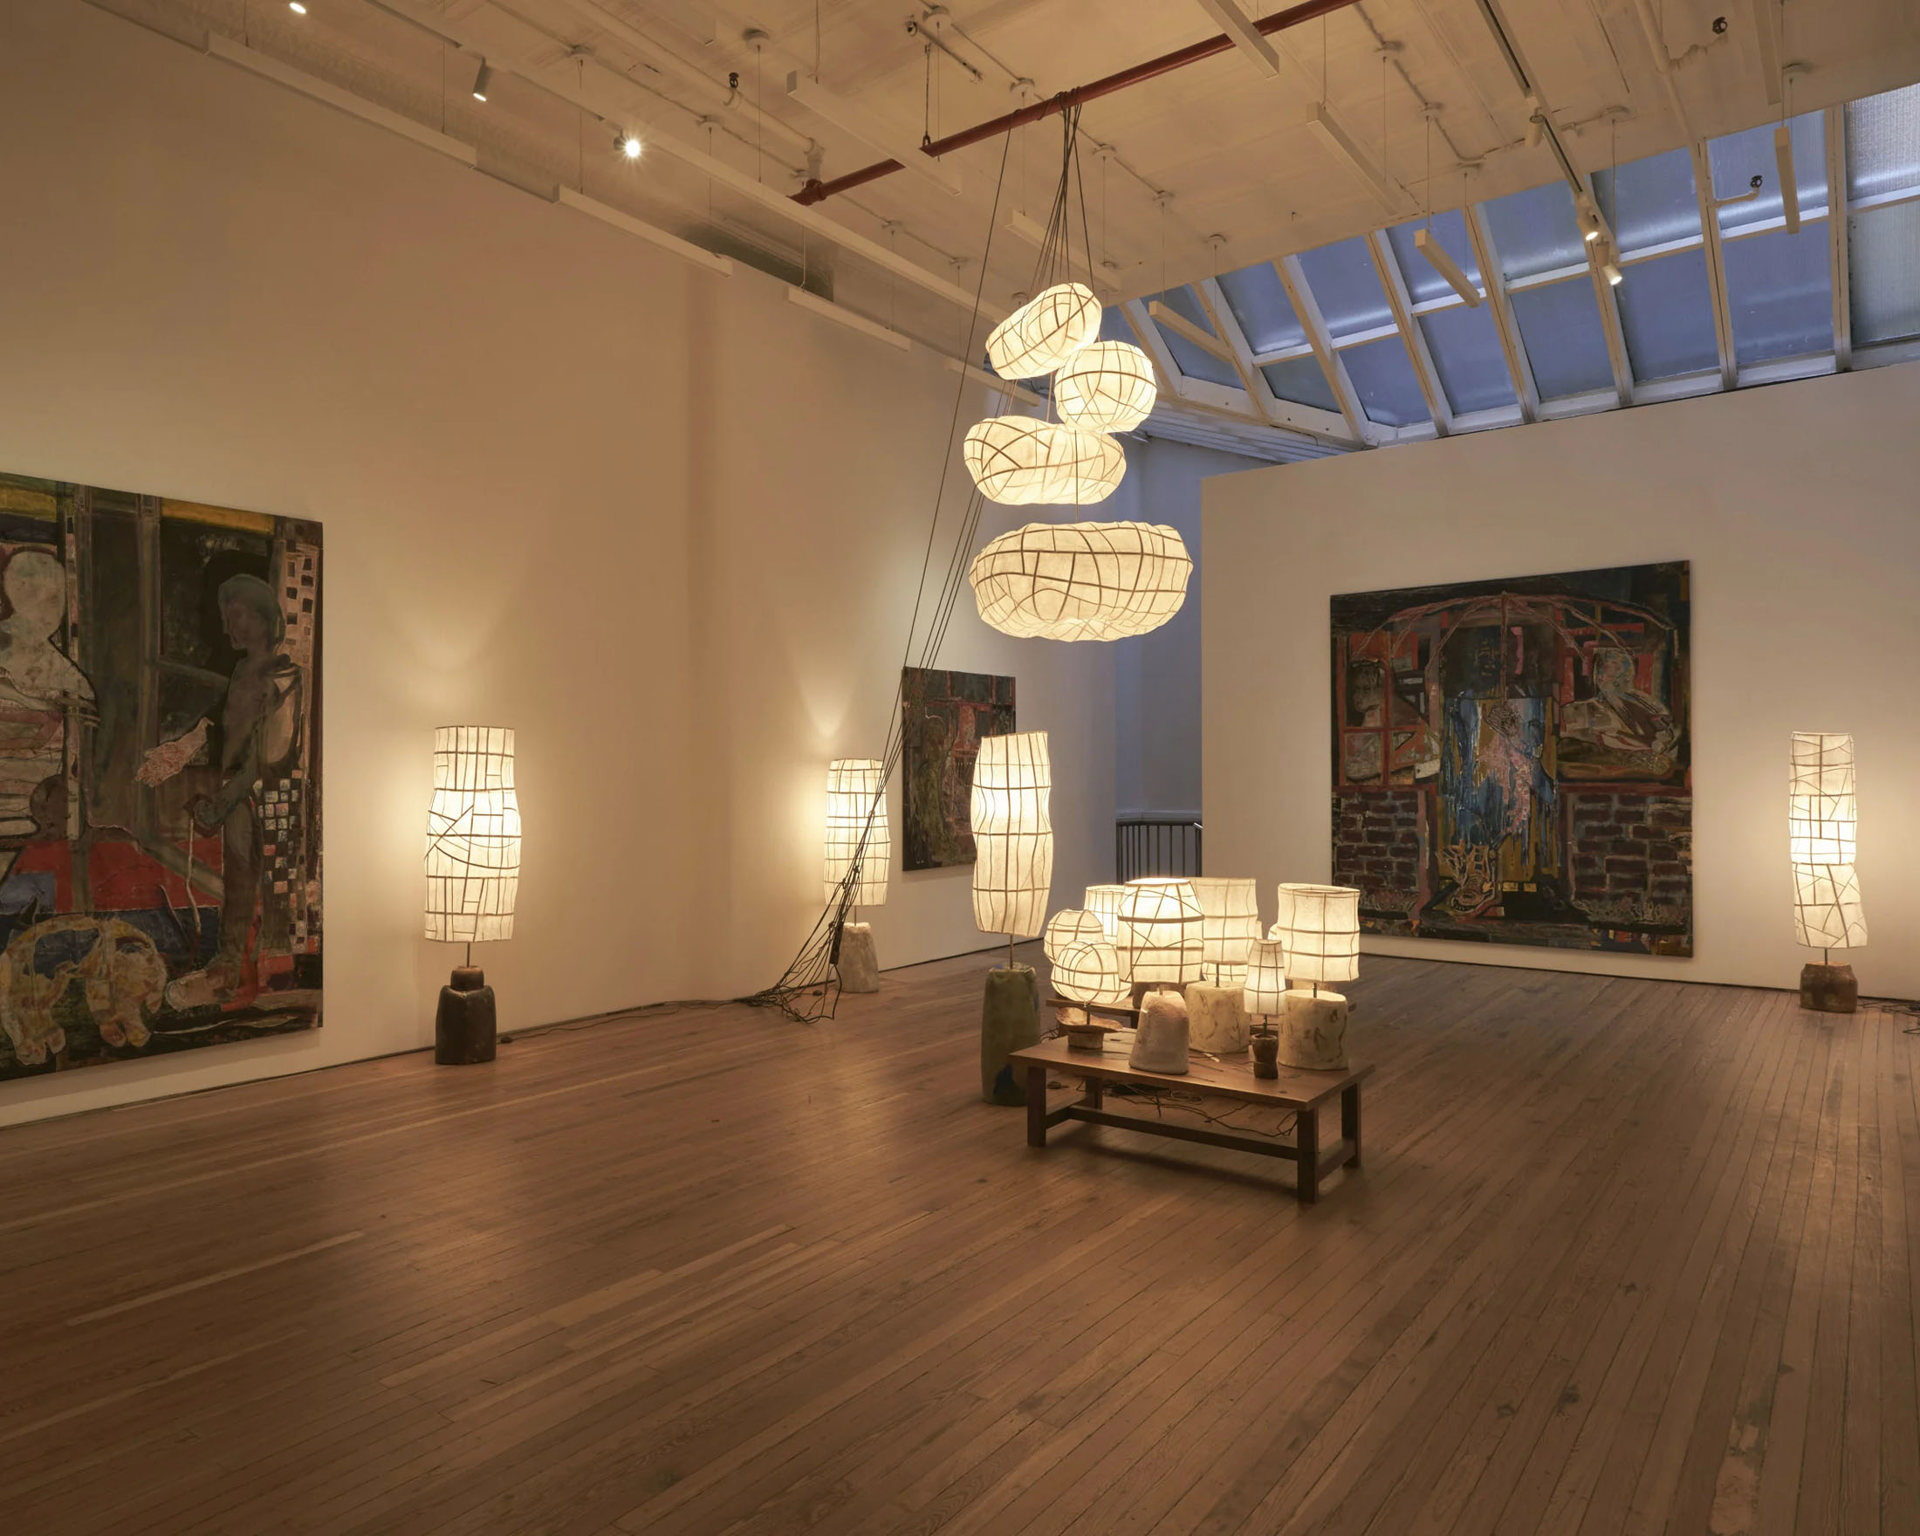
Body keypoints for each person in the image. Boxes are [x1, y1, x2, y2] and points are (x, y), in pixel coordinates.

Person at [137, 573, 304, 1008]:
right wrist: (183, 747)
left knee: (263, 885)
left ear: (263, 618)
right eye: (226, 617)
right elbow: (221, 721)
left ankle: (259, 973)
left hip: (269, 796)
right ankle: (228, 968)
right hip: (238, 793)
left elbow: (270, 754)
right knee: (237, 884)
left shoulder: (284, 676)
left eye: (237, 616)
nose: (230, 626)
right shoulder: (241, 670)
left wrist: (225, 801)